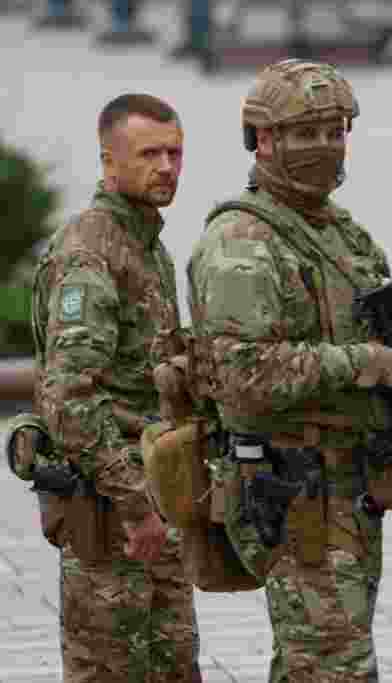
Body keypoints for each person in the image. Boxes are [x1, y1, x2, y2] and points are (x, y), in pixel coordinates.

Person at [186, 58, 392, 681]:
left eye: (334, 132)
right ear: (263, 140)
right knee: (331, 664)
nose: (323, 147)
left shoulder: (339, 231)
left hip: (347, 484)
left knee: (321, 659)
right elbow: (243, 376)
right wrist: (369, 363)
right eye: (305, 134)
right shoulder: (243, 242)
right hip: (293, 489)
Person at [30, 94, 201, 682]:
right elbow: (69, 398)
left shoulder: (147, 248)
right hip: (112, 521)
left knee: (174, 669)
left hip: (155, 505)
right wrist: (135, 509)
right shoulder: (90, 254)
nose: (166, 167)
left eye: (175, 153)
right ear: (108, 160)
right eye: (149, 153)